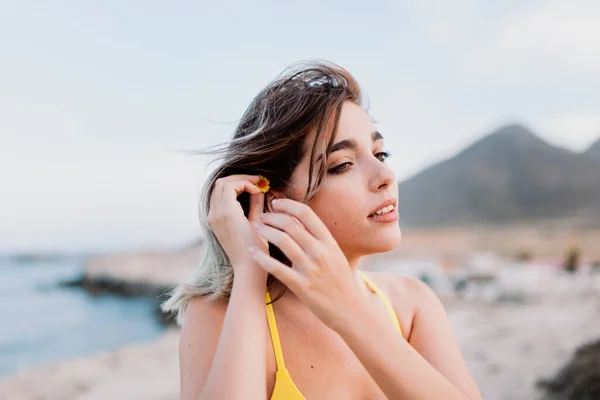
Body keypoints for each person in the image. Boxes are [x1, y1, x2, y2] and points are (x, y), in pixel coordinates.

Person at [162, 60, 483, 400]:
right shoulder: (220, 314)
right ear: (271, 200)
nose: (385, 176)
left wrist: (348, 311)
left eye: (380, 153)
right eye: (342, 165)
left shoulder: (412, 305)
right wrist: (249, 270)